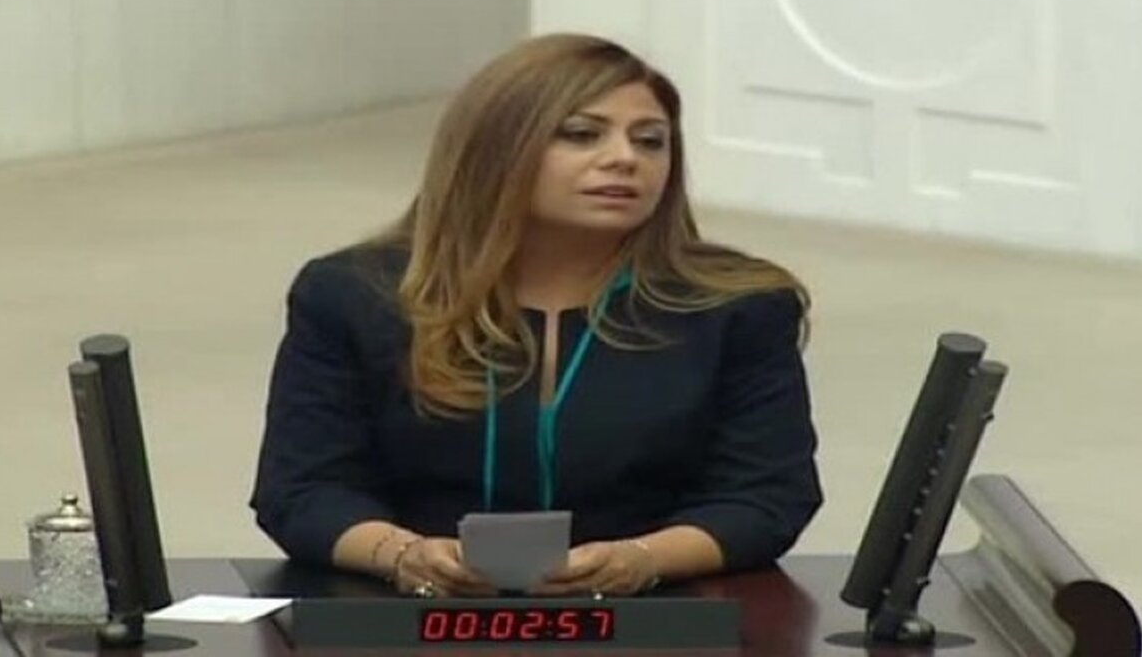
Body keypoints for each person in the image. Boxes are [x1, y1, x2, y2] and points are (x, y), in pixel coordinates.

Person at [250, 33, 822, 598]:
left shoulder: (739, 305)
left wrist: (640, 560)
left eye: (651, 141)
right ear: (496, 149)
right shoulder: (352, 295)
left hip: (660, 609)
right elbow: (304, 489)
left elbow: (765, 494)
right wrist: (403, 556)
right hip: (410, 611)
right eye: (582, 134)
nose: (625, 158)